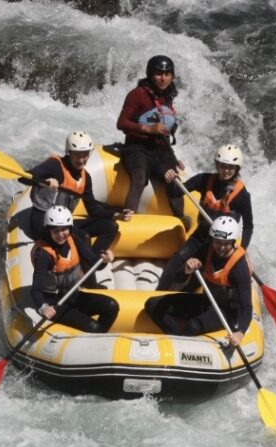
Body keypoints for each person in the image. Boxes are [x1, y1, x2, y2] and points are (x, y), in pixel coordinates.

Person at [157, 143, 254, 290]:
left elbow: (248, 225)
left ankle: (187, 296)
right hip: (200, 236)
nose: (226, 170)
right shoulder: (204, 180)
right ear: (217, 165)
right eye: (222, 166)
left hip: (222, 245)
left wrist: (242, 249)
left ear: (236, 169)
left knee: (198, 278)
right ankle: (160, 292)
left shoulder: (241, 195)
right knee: (176, 262)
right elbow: (175, 193)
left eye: (230, 167)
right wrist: (171, 182)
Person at [145, 215, 252, 347]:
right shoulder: (208, 250)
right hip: (206, 303)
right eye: (217, 242)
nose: (221, 247)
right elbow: (178, 277)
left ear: (233, 242)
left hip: (226, 312)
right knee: (152, 305)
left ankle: (177, 344)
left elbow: (247, 307)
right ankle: (177, 337)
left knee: (193, 326)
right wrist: (186, 270)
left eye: (226, 243)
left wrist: (240, 332)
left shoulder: (239, 267)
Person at [26, 131, 131, 266]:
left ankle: (93, 263)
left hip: (64, 223)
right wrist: (43, 181)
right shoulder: (55, 165)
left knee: (110, 226)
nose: (81, 160)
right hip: (43, 223)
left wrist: (116, 214)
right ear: (69, 152)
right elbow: (24, 177)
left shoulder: (85, 178)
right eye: (77, 155)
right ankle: (90, 274)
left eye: (85, 155)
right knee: (82, 236)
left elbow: (92, 209)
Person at [116, 55, 185, 217]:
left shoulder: (168, 96)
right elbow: (121, 123)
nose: (163, 78)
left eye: (167, 74)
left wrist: (173, 159)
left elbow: (164, 133)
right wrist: (148, 129)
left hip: (161, 150)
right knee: (139, 178)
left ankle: (181, 221)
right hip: (137, 148)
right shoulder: (137, 94)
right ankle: (127, 216)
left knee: (174, 181)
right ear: (150, 74)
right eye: (159, 73)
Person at [31, 206, 119, 334]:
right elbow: (36, 290)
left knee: (112, 306)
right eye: (55, 231)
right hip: (55, 303)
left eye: (64, 229)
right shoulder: (44, 254)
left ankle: (98, 339)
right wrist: (43, 307)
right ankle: (96, 340)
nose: (61, 235)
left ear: (70, 228)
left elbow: (95, 263)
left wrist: (105, 260)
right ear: (48, 230)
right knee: (93, 327)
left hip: (73, 296)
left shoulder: (73, 239)